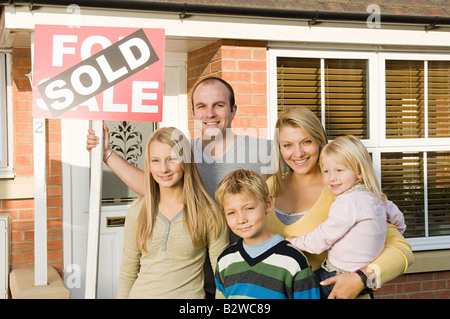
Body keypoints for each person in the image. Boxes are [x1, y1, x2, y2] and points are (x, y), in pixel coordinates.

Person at [86, 77, 272, 297]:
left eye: (219, 105)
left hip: (243, 281)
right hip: (194, 283)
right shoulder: (181, 149)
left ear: (233, 109)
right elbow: (153, 184)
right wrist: (107, 154)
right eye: (202, 106)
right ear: (194, 112)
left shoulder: (263, 151)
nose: (210, 114)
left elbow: (309, 169)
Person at [266, 107, 414, 299]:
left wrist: (361, 279)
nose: (298, 153)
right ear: (279, 148)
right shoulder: (269, 187)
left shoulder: (343, 189)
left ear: (319, 141)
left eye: (306, 142)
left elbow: (401, 249)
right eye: (287, 145)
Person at [286, 135, 406, 299]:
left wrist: (295, 242)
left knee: (296, 291)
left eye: (339, 170)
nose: (332, 177)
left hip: (338, 275)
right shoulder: (377, 197)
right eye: (326, 171)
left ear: (359, 172)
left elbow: (323, 238)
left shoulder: (348, 202)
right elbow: (399, 221)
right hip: (363, 275)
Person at [117, 127, 229, 298]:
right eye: (155, 160)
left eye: (172, 159)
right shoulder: (138, 211)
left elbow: (222, 277)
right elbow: (128, 272)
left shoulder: (208, 212)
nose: (163, 169)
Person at [214, 169, 320, 299]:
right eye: (231, 213)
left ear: (268, 204)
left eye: (249, 208)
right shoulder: (225, 260)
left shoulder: (293, 260)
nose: (241, 219)